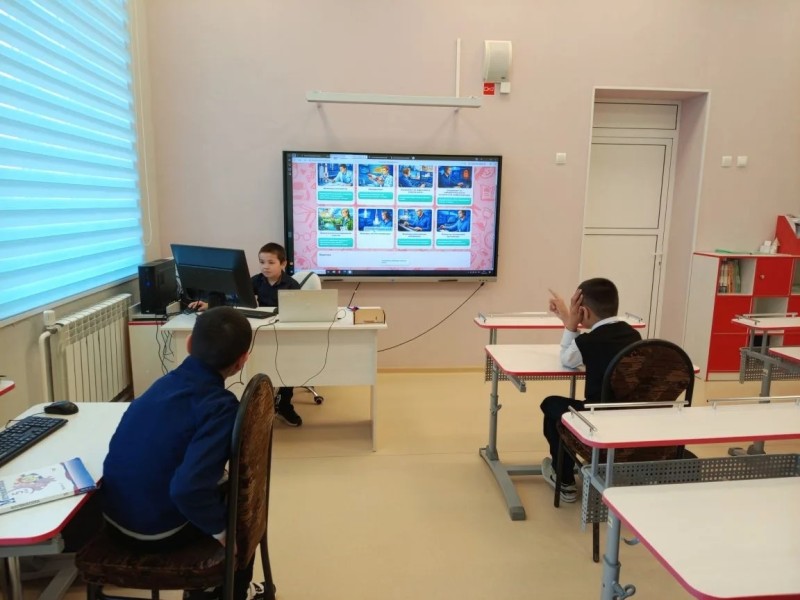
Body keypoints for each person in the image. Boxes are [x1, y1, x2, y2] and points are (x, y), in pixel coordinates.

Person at [101, 307, 268, 600]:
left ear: (189, 343)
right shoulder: (220, 406)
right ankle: (225, 591)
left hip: (112, 521)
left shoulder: (160, 385)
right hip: (156, 533)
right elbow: (188, 489)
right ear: (242, 361)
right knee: (241, 517)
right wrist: (223, 533)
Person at [539, 278, 641, 503]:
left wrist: (570, 324)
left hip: (596, 418)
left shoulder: (589, 341)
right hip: (630, 417)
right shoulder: (633, 336)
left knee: (551, 405)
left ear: (582, 311)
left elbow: (568, 359)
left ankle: (564, 480)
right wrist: (567, 316)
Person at [250, 242, 303, 426]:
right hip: (262, 332)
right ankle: (258, 403)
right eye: (262, 262)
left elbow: (298, 311)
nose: (265, 266)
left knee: (289, 364)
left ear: (283, 264)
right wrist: (209, 304)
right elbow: (236, 298)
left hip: (285, 333)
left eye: (271, 262)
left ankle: (284, 404)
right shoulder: (256, 281)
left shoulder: (292, 285)